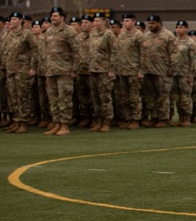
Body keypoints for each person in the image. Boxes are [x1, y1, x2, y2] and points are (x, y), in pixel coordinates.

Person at [42, 7, 80, 136]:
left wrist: (74, 69)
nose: (53, 18)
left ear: (62, 17)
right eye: (52, 16)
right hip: (51, 70)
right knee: (53, 100)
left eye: (56, 16)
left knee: (64, 99)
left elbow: (76, 51)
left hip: (65, 70)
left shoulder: (69, 31)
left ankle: (65, 125)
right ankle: (56, 123)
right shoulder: (48, 32)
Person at [138, 14, 177, 128]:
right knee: (150, 97)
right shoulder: (147, 36)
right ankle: (153, 117)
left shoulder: (168, 36)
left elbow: (175, 53)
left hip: (162, 71)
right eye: (149, 23)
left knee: (163, 96)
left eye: (153, 23)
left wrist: (172, 68)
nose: (151, 25)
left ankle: (163, 118)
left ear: (159, 23)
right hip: (149, 71)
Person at [4, 12, 36, 134]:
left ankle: (24, 122)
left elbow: (34, 50)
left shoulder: (27, 33)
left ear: (20, 20)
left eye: (14, 19)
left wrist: (33, 67)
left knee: (23, 96)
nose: (12, 21)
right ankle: (16, 120)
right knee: (13, 97)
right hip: (11, 69)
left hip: (23, 69)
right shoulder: (10, 34)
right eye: (11, 19)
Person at [87, 13, 117, 133]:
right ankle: (98, 120)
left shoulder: (109, 34)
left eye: (98, 21)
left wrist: (111, 69)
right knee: (95, 97)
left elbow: (114, 52)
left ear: (104, 22)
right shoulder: (93, 33)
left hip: (104, 70)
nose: (95, 23)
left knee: (105, 98)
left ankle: (106, 121)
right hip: (93, 69)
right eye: (94, 21)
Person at [114, 13, 143, 130]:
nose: (125, 23)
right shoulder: (122, 35)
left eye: (127, 21)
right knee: (124, 97)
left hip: (134, 71)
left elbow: (144, 54)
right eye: (124, 21)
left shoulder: (138, 35)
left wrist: (141, 70)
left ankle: (135, 119)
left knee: (134, 97)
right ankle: (128, 118)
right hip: (123, 70)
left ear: (133, 22)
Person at [170, 20, 196, 127]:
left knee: (186, 97)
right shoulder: (174, 42)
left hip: (185, 74)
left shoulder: (191, 43)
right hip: (175, 74)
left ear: (186, 29)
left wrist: (192, 74)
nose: (178, 29)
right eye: (177, 27)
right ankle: (180, 117)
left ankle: (187, 118)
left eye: (181, 27)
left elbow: (195, 60)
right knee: (177, 98)